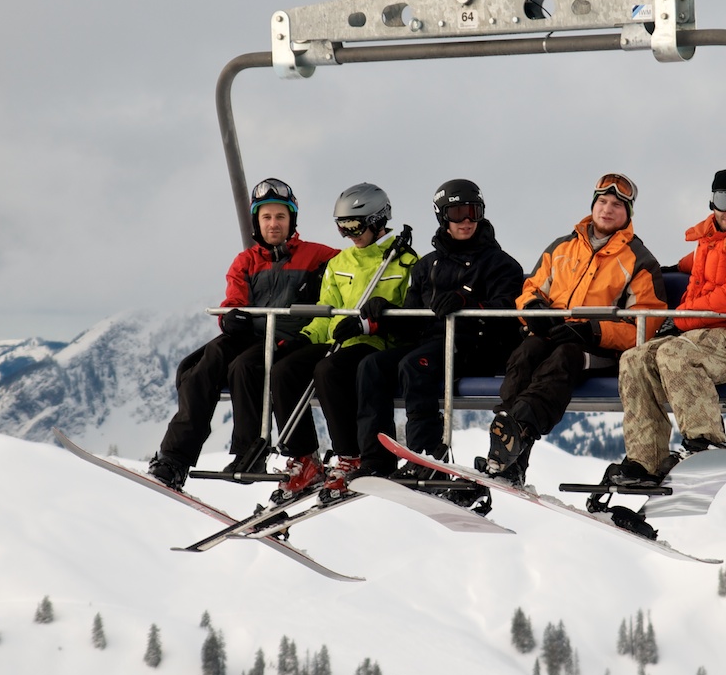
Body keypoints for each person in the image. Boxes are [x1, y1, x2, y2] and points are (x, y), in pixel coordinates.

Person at [148, 178, 338, 490]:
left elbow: (352, 271)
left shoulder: (317, 256)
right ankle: (175, 458)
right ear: (256, 221)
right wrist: (231, 316)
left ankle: (251, 451)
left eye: (280, 217)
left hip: (286, 337)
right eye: (267, 217)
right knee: (194, 368)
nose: (273, 224)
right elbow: (234, 298)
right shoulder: (247, 261)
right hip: (251, 333)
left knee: (244, 367)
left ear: (291, 220)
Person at [484, 173, 666, 484]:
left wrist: (593, 331)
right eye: (602, 202)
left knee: (565, 357)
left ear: (628, 213)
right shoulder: (563, 247)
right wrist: (533, 310)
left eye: (617, 205)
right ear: (593, 205)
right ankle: (510, 453)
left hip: (599, 349)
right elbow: (531, 289)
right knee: (526, 352)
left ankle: (513, 434)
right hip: (552, 334)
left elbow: (644, 324)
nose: (607, 210)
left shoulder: (638, 260)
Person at [609, 169, 726, 487]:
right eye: (724, 200)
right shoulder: (711, 240)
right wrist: (671, 269)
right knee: (634, 359)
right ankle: (646, 460)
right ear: (712, 202)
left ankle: (707, 443)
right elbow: (703, 260)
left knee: (677, 353)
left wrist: (678, 319)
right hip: (709, 336)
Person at [354, 179, 525, 477]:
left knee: (415, 365)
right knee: (372, 366)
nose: (467, 221)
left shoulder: (500, 264)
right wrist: (384, 313)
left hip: (479, 345)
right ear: (442, 217)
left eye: (473, 212)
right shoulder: (427, 266)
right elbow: (412, 322)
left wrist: (467, 303)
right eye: (458, 213)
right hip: (432, 343)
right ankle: (376, 460)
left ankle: (427, 456)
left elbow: (508, 312)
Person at [268, 182, 417, 499]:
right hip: (341, 340)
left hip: (377, 344)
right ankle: (303, 457)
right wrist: (303, 338)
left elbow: (411, 315)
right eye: (342, 228)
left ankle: (351, 455)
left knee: (329, 370)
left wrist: (376, 320)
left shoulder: (404, 262)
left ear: (378, 220)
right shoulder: (340, 263)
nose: (350, 235)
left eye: (355, 226)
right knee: (284, 370)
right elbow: (326, 315)